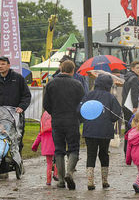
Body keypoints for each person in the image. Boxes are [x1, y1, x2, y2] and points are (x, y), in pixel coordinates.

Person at [43, 60, 85, 190]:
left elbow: (46, 104)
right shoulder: (77, 84)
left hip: (57, 120)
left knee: (59, 150)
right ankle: (69, 172)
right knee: (74, 148)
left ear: (61, 69)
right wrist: (79, 118)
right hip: (72, 120)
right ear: (73, 71)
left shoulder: (51, 84)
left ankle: (61, 180)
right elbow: (82, 104)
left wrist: (54, 113)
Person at [0, 56, 31, 178]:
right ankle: (1, 169)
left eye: (3, 64)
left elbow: (26, 95)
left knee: (17, 141)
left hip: (16, 115)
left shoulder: (18, 79)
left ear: (8, 65)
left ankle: (18, 162)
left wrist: (21, 107)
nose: (0, 66)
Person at [82, 74, 121, 190]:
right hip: (105, 131)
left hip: (90, 130)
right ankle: (105, 180)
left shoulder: (88, 95)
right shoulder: (111, 97)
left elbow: (81, 110)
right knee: (104, 154)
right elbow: (115, 115)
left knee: (91, 154)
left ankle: (90, 181)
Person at [31, 111, 58, 185]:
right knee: (57, 161)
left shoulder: (43, 130)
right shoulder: (56, 129)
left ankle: (48, 181)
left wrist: (34, 146)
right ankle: (56, 174)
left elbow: (39, 137)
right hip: (56, 145)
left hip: (47, 148)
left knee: (49, 164)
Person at [121, 61, 139, 153]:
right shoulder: (134, 79)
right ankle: (130, 151)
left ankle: (127, 150)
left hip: (125, 106)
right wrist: (135, 106)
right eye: (137, 68)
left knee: (128, 128)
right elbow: (135, 94)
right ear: (132, 68)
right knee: (132, 129)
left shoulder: (127, 77)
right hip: (131, 107)